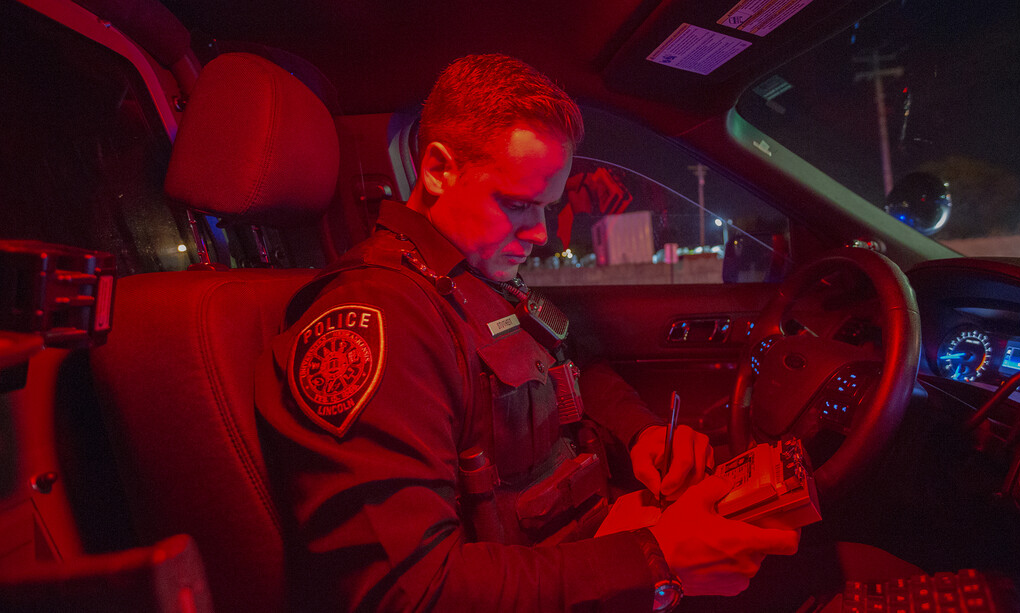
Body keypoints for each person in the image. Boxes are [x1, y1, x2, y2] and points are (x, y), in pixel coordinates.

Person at [255, 53, 799, 612]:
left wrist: (642, 435)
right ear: (439, 170)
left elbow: (569, 367)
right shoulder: (375, 317)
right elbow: (409, 593)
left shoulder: (474, 277)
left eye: (548, 206)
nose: (540, 233)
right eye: (518, 205)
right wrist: (650, 560)